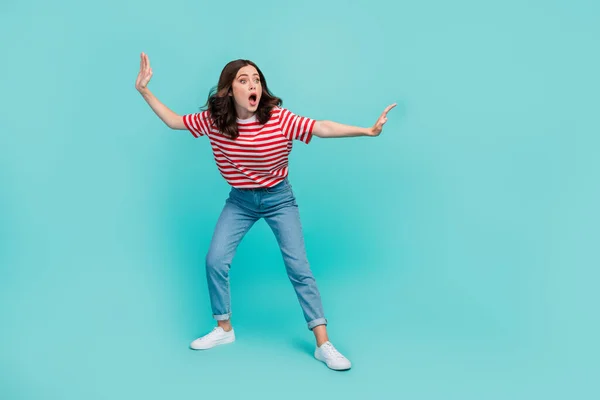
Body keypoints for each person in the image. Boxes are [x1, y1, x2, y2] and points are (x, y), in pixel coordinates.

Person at [135, 52, 396, 371]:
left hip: (278, 198)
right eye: (243, 80)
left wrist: (367, 131)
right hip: (240, 201)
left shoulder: (278, 118)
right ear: (229, 91)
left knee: (298, 266)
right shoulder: (214, 121)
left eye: (256, 79)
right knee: (214, 259)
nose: (252, 84)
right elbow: (176, 121)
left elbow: (321, 127)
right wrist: (145, 90)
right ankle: (223, 329)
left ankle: (323, 345)